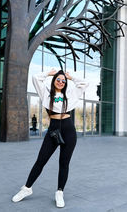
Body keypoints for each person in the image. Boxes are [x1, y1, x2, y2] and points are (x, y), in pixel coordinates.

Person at [12, 69, 89, 208]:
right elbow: (36, 77)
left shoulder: (70, 95)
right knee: (40, 160)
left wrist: (71, 77)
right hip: (53, 131)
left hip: (69, 130)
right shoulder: (46, 94)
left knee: (64, 163)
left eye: (63, 81)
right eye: (58, 79)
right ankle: (26, 188)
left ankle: (60, 192)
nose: (60, 82)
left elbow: (84, 83)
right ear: (54, 81)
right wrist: (49, 73)